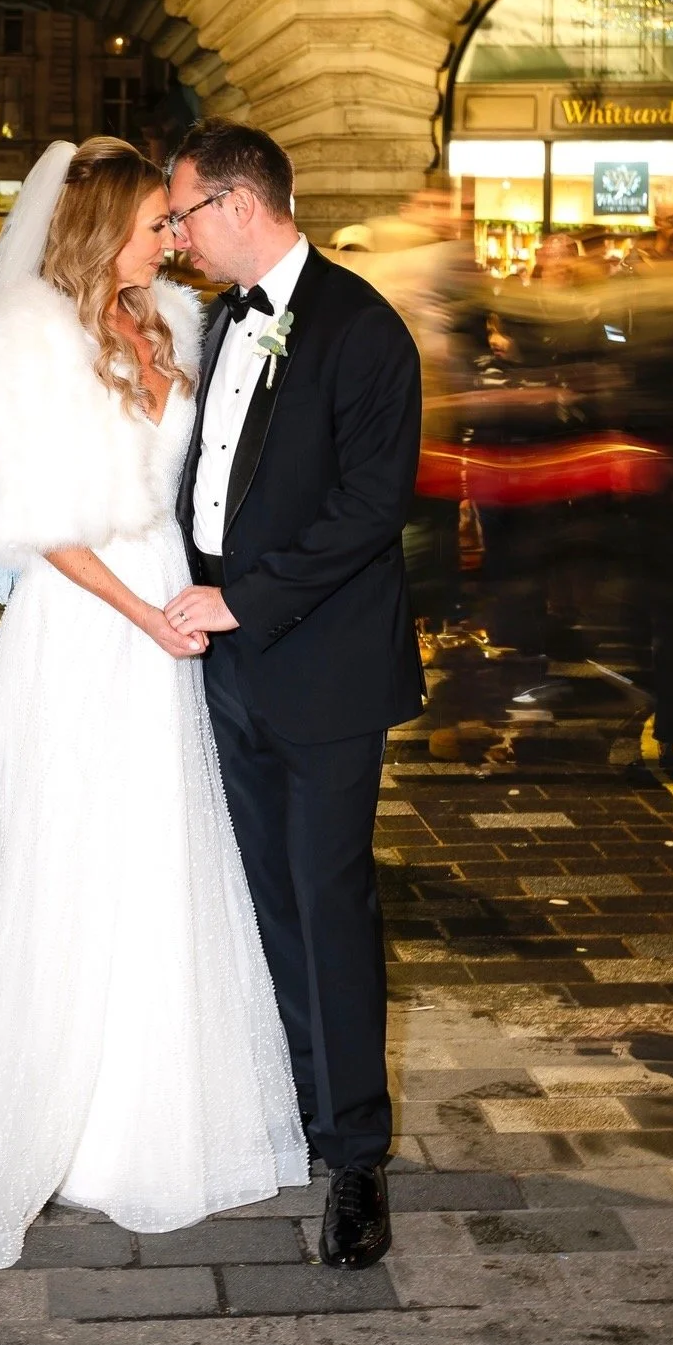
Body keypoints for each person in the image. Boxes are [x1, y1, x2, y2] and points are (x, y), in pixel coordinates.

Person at [0, 137, 306, 1268]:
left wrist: (213, 597)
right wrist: (147, 619)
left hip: (171, 603)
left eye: (178, 221)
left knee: (165, 855)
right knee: (69, 863)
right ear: (103, 229)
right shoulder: (25, 338)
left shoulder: (180, 325)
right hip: (86, 619)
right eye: (158, 223)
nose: (176, 238)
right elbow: (40, 526)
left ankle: (154, 1117)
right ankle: (47, 1117)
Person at [165, 121, 424, 1270]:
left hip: (320, 665)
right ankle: (301, 1109)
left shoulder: (363, 329)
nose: (175, 236)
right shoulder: (222, 320)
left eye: (180, 215)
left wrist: (243, 600)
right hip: (228, 665)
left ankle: (358, 1158)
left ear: (237, 205)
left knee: (329, 907)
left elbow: (370, 509)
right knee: (267, 901)